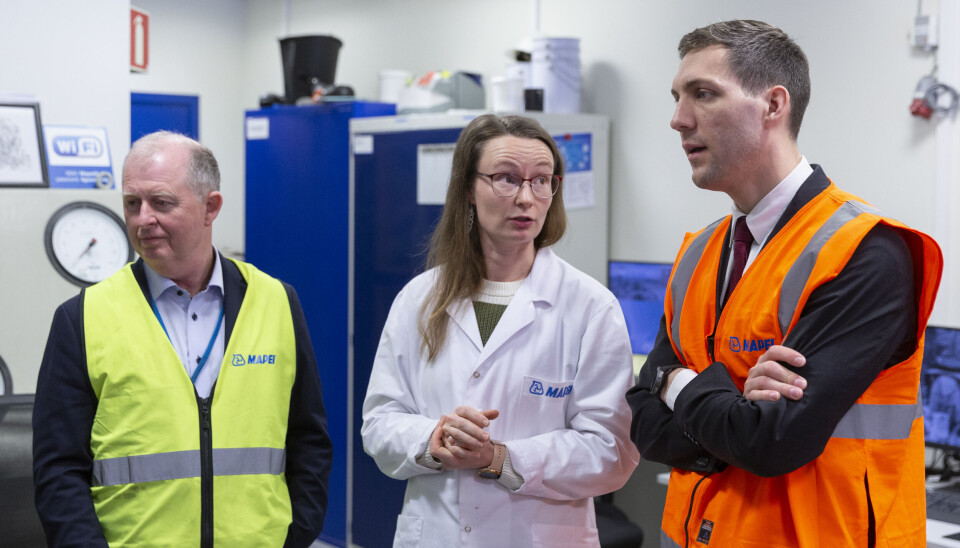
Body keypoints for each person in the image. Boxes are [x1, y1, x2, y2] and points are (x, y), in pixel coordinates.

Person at [625, 20, 943, 547]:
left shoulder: (866, 252)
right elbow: (644, 422)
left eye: (704, 95)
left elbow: (771, 441)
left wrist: (675, 382)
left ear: (774, 105)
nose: (679, 120)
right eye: (678, 97)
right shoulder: (699, 252)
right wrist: (728, 407)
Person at [32, 131, 333, 547]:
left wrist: (294, 537)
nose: (142, 219)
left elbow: (309, 441)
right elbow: (58, 471)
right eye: (132, 204)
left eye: (161, 202)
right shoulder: (82, 318)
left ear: (211, 207)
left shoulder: (277, 302)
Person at [362, 114, 639, 547]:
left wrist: (501, 458)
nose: (527, 198)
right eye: (507, 179)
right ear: (468, 189)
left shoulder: (590, 306)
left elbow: (613, 452)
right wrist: (433, 439)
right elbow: (378, 424)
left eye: (542, 180)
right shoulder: (419, 298)